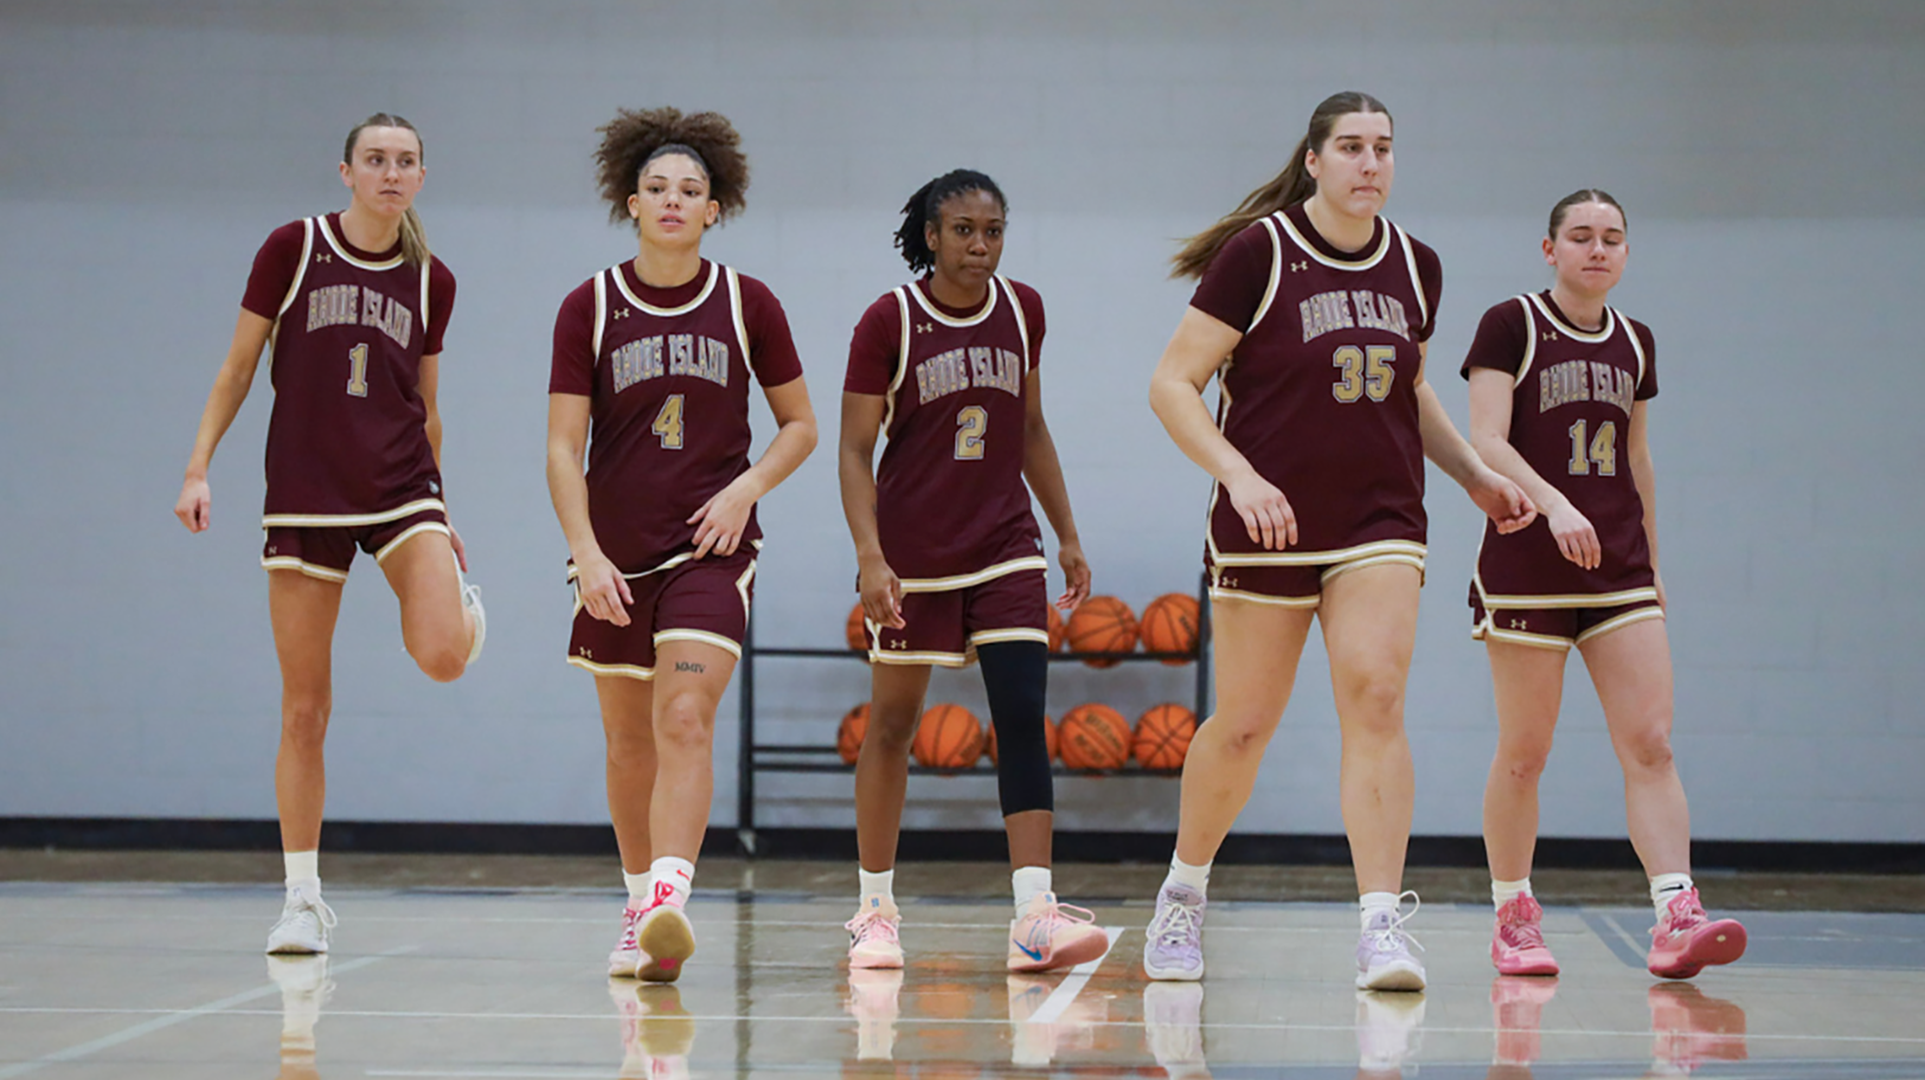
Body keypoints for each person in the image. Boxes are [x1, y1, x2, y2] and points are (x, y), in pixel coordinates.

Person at [1140, 91, 1536, 991]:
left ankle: (1380, 927)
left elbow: (1413, 389)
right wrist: (1238, 473)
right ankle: (1183, 894)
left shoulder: (1417, 266)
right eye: (1351, 147)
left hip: (1378, 519)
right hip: (1265, 521)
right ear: (1313, 160)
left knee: (1377, 695)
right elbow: (1172, 384)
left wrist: (1472, 473)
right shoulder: (1260, 256)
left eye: (1384, 148)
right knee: (1242, 727)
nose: (1370, 163)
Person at [174, 112, 484, 956]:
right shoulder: (293, 248)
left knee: (446, 655)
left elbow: (427, 408)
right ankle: (302, 898)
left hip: (399, 485)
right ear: (345, 172)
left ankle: (457, 598)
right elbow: (238, 367)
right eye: (376, 160)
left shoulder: (432, 280)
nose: (391, 173)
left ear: (422, 176)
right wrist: (199, 466)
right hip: (307, 491)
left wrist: (444, 511)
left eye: (406, 161)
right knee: (306, 709)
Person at [547, 107, 816, 982]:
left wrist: (745, 489)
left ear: (714, 208)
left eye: (690, 191)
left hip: (710, 550)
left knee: (684, 717)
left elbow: (801, 426)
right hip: (614, 556)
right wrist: (584, 550)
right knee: (628, 744)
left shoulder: (747, 303)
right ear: (631, 202)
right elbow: (561, 448)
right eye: (657, 188)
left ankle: (669, 895)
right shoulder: (589, 306)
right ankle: (638, 911)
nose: (672, 201)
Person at [1465, 190, 1745, 980]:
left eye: (1612, 238)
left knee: (1650, 743)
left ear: (1626, 253)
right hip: (1526, 565)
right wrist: (1553, 504)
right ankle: (1513, 914)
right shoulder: (1510, 323)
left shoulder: (1635, 341)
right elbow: (1483, 438)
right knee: (1525, 752)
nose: (1597, 249)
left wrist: (1651, 565)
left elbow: (1636, 458)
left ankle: (1674, 913)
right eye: (1580, 236)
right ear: (1548, 249)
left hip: (1617, 566)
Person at [837, 169, 1106, 973]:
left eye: (992, 230)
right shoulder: (889, 319)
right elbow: (855, 448)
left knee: (1022, 711)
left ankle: (1034, 913)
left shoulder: (1023, 310)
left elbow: (1028, 427)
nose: (979, 245)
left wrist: (1065, 531)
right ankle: (875, 910)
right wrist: (870, 555)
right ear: (931, 234)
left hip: (1003, 543)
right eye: (963, 230)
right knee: (891, 726)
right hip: (914, 551)